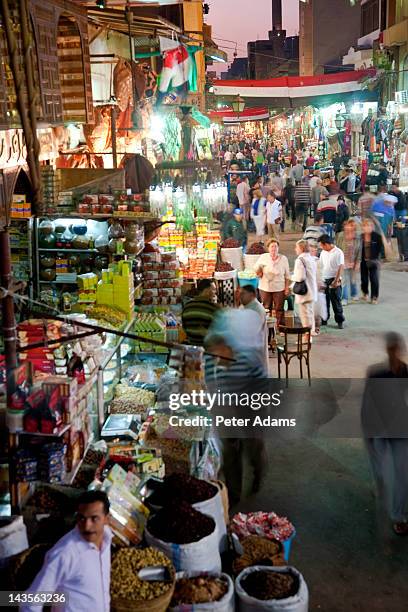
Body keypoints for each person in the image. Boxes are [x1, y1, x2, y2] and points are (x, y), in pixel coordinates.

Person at [204, 310, 268, 505]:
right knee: (231, 452)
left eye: (218, 350)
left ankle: (258, 471)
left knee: (253, 445)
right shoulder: (209, 362)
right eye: (212, 351)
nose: (216, 355)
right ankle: (234, 494)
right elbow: (209, 385)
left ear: (226, 346)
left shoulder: (246, 359)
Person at [22, 491, 112, 612]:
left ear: (107, 519)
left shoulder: (107, 538)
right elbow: (30, 602)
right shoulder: (65, 553)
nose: (87, 526)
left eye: (94, 518)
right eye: (81, 518)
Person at [362, 332, 408, 536]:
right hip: (379, 426)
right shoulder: (376, 374)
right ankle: (380, 483)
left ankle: (399, 516)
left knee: (402, 474)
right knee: (380, 469)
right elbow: (367, 404)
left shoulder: (405, 372)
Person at [254, 238, 291, 329]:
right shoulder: (263, 257)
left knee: (279, 309)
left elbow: (287, 275)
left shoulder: (283, 259)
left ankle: (281, 327)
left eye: (276, 246)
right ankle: (267, 328)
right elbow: (257, 272)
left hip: (279, 288)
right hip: (265, 287)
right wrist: (260, 269)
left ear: (278, 248)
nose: (274, 249)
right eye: (272, 246)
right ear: (268, 248)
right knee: (266, 308)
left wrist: (287, 288)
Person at [317, 234, 345, 329]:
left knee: (336, 302)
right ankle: (324, 319)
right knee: (324, 301)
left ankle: (339, 321)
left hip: (334, 280)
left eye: (321, 245)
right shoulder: (323, 253)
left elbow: (341, 267)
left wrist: (336, 281)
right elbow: (320, 265)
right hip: (324, 279)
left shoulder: (338, 252)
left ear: (326, 244)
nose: (321, 247)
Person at [240, 284, 269, 370]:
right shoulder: (243, 307)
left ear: (252, 295)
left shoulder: (257, 309)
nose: (240, 296)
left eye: (243, 294)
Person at [181, 279, 219, 346]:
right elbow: (217, 333)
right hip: (208, 350)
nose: (215, 292)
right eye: (214, 289)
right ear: (207, 291)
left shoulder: (187, 306)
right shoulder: (212, 308)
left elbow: (184, 328)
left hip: (192, 348)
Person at [292, 240, 318, 335]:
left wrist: (292, 276)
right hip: (312, 290)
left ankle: (306, 339)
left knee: (305, 317)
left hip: (304, 293)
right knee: (310, 314)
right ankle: (312, 332)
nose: (295, 249)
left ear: (301, 248)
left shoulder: (300, 260)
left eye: (296, 247)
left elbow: (300, 277)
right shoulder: (311, 258)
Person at [336, 219, 361, 305]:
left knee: (353, 280)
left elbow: (359, 251)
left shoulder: (357, 237)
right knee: (344, 281)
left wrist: (358, 262)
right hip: (343, 263)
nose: (349, 229)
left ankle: (354, 293)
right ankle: (344, 298)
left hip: (353, 262)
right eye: (347, 227)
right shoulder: (340, 236)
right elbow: (337, 249)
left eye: (351, 228)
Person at [360, 217, 382, 305]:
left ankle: (374, 297)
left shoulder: (377, 236)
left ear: (372, 227)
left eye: (369, 226)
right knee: (364, 279)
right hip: (363, 261)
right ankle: (365, 293)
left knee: (374, 280)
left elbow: (380, 249)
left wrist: (378, 260)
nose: (367, 227)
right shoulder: (360, 237)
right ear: (363, 227)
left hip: (374, 261)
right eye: (365, 226)